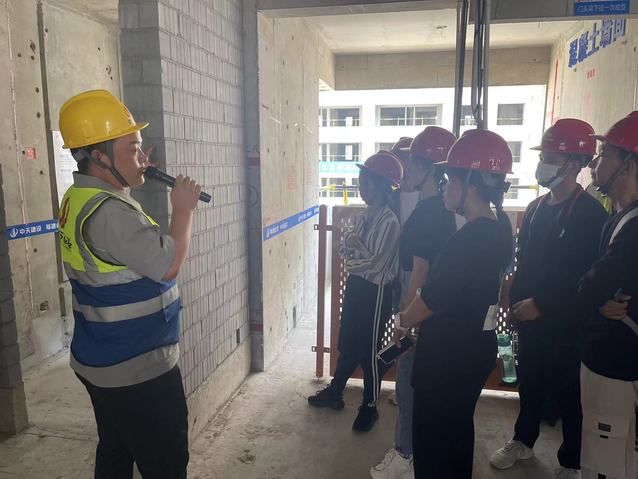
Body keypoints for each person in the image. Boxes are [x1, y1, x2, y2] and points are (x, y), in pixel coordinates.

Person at [57, 89, 201, 478]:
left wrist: (132, 170)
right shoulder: (109, 212)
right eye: (133, 149)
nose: (144, 158)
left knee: (116, 449)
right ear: (99, 157)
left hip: (101, 356)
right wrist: (183, 209)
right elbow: (168, 265)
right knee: (166, 463)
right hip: (136, 366)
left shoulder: (80, 197)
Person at [490, 119, 608, 479]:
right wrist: (513, 292)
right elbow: (526, 259)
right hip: (528, 318)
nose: (543, 164)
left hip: (566, 323)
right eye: (544, 157)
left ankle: (571, 461)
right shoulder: (536, 207)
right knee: (530, 382)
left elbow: (584, 278)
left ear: (574, 164)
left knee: (569, 392)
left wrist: (541, 304)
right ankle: (523, 440)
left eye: (551, 158)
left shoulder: (590, 214)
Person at [394, 129, 514, 478]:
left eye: (450, 181)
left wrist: (403, 320)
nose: (445, 188)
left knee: (433, 443)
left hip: (447, 359)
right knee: (456, 433)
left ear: (471, 186)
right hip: (473, 350)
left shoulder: (469, 240)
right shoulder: (499, 227)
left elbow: (432, 298)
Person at [371, 127, 457, 479]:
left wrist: (403, 323)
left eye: (412, 163)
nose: (405, 170)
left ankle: (404, 455)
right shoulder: (442, 208)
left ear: (429, 168)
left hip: (416, 299)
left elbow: (419, 272)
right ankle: (413, 451)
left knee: (407, 383)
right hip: (429, 302)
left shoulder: (429, 212)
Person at [308, 151, 402, 432]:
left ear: (383, 186)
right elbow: (346, 251)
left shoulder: (390, 222)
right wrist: (358, 251)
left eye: (367, 183)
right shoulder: (363, 216)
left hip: (376, 291)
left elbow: (375, 263)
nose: (362, 188)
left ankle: (369, 406)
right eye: (361, 182)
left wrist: (356, 249)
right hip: (357, 285)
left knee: (368, 350)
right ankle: (335, 392)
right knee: (347, 342)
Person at [577, 112, 638, 479]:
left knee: (612, 463)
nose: (594, 164)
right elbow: (595, 287)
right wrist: (597, 298)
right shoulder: (619, 216)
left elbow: (589, 287)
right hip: (607, 359)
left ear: (628, 164)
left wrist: (593, 295)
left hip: (619, 366)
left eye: (603, 155)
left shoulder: (633, 228)